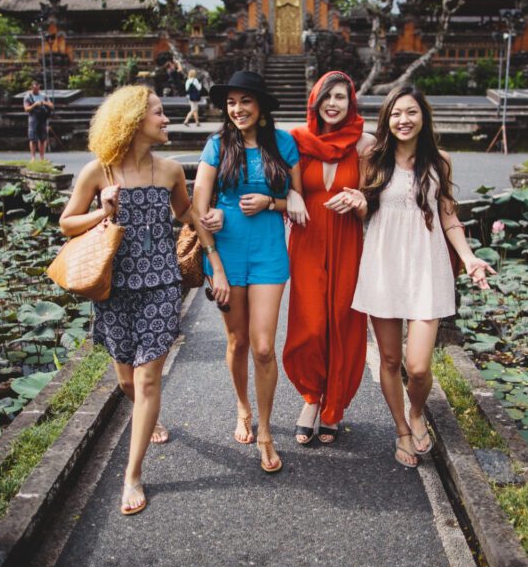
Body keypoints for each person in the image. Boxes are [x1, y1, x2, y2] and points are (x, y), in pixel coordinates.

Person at [59, 85, 193, 515]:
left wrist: (209, 232)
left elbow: (185, 214)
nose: (166, 119)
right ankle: (146, 417)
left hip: (161, 284)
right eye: (158, 113)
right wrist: (103, 210)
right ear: (134, 121)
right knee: (126, 381)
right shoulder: (100, 172)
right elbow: (66, 224)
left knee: (148, 379)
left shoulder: (171, 170)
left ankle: (132, 474)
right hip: (114, 289)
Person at [352, 84, 495, 468]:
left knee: (417, 366)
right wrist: (356, 202)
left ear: (423, 116)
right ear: (386, 119)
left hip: (426, 269)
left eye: (411, 112)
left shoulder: (439, 161)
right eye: (396, 113)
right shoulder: (372, 158)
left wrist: (468, 258)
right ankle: (401, 428)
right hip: (383, 266)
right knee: (388, 358)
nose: (403, 120)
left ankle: (417, 412)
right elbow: (364, 209)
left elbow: (449, 216)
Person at [192, 70, 307, 473]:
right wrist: (215, 268)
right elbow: (198, 209)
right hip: (225, 254)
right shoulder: (216, 145)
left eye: (245, 101)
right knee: (238, 341)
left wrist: (270, 203)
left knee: (262, 346)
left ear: (260, 108)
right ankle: (243, 407)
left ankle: (266, 431)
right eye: (231, 103)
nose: (237, 109)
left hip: (269, 253)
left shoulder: (283, 144)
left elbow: (298, 200)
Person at [284, 71, 376, 445]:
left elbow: (372, 205)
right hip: (307, 241)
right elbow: (282, 185)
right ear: (316, 101)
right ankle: (311, 397)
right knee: (310, 324)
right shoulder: (297, 141)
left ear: (351, 101)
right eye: (327, 97)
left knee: (342, 321)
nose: (334, 104)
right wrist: (291, 195)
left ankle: (334, 406)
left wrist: (359, 201)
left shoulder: (365, 144)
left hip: (346, 243)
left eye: (341, 97)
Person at [23, 81, 53, 161]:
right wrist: (34, 105)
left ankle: (42, 157)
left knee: (43, 138)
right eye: (34, 89)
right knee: (33, 138)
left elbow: (51, 105)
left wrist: (44, 103)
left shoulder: (44, 96)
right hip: (33, 118)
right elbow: (26, 109)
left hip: (43, 118)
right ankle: (33, 157)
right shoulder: (28, 97)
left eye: (37, 88)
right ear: (31, 88)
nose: (36, 90)